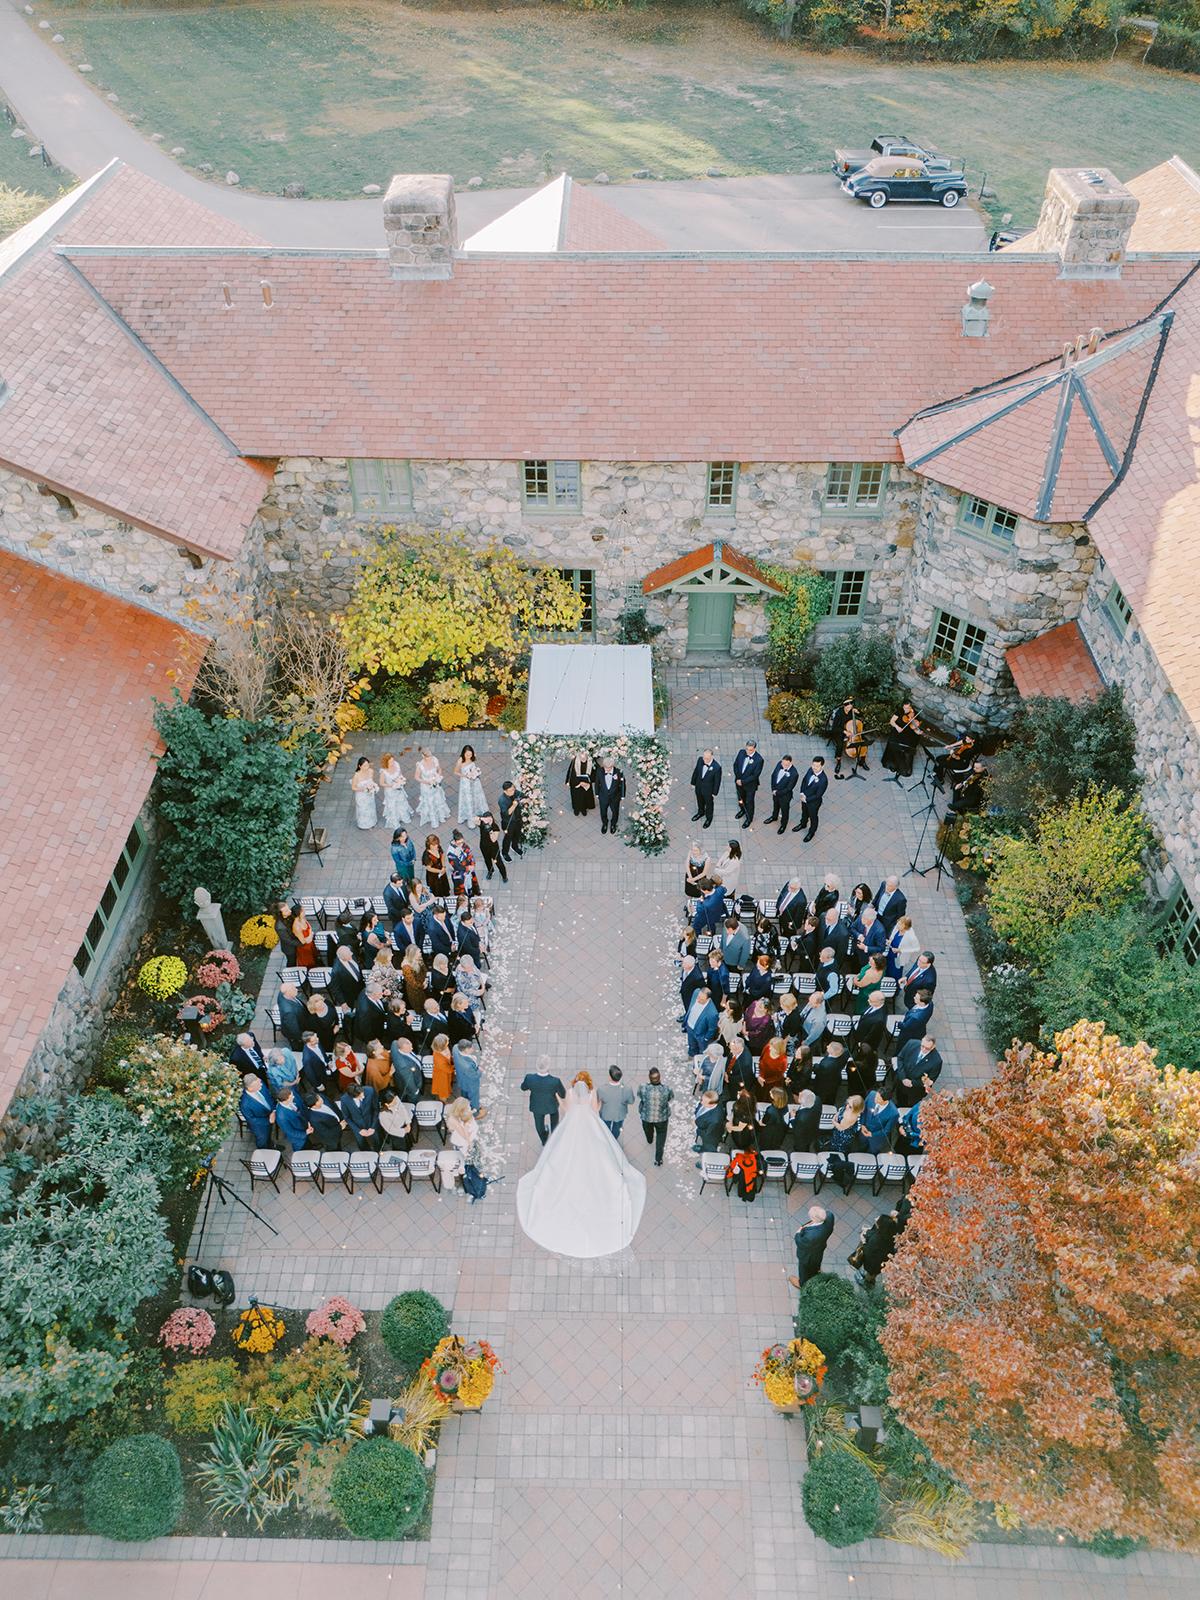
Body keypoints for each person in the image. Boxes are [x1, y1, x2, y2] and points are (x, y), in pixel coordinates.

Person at [517, 1073, 647, 1256]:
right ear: (587, 1085)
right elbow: (595, 1110)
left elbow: (566, 1110)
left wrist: (557, 1098)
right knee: (599, 1149)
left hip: (572, 1126)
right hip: (589, 1125)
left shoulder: (569, 1093)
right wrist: (599, 1105)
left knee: (564, 1152)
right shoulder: (592, 1094)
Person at [520, 1059, 568, 1145]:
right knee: (554, 1122)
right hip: (552, 1106)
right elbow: (563, 1095)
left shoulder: (529, 1078)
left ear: (536, 1066)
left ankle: (544, 1140)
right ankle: (554, 1138)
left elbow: (523, 1088)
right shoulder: (555, 1081)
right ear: (548, 1067)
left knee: (539, 1125)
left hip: (537, 1106)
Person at [790, 1205, 835, 1289]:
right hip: (820, 1249)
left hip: (808, 1256)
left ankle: (802, 1283)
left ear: (814, 1219)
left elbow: (800, 1242)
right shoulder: (830, 1216)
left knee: (804, 1268)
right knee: (817, 1261)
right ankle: (816, 1271)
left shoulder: (810, 1236)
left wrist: (798, 1233)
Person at [855, 1208, 901, 1288]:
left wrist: (864, 1241)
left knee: (870, 1274)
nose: (876, 1219)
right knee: (873, 1273)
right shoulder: (889, 1235)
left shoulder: (876, 1240)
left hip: (873, 1264)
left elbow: (868, 1251)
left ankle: (868, 1282)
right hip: (881, 1262)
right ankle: (870, 1279)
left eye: (878, 1219)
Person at [637, 1067, 674, 1166]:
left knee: (648, 1130)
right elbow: (670, 1098)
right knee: (661, 1138)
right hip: (662, 1118)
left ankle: (649, 1139)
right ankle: (658, 1159)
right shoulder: (666, 1089)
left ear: (649, 1078)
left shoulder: (643, 1087)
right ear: (659, 1077)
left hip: (646, 1116)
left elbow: (640, 1096)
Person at [895, 1035, 943, 1106]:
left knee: (910, 1105)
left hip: (915, 1091)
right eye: (922, 1046)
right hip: (901, 1081)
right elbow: (900, 1058)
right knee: (899, 1097)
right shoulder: (911, 1043)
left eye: (927, 1048)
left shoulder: (937, 1061)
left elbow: (930, 1081)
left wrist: (912, 1083)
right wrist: (903, 1078)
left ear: (933, 1047)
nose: (923, 1049)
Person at [881, 700, 923, 781]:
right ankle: (893, 764)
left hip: (908, 735)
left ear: (911, 707)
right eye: (905, 708)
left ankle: (903, 767)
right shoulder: (899, 711)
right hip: (898, 732)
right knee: (894, 745)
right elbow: (892, 721)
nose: (906, 710)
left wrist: (918, 731)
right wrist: (897, 727)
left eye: (908, 708)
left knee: (907, 748)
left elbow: (914, 728)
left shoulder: (914, 714)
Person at [794, 755, 829, 841]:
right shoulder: (810, 770)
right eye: (813, 765)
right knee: (804, 812)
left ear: (822, 766)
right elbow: (804, 781)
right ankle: (803, 824)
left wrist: (807, 799)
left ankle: (811, 832)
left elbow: (818, 795)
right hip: (804, 798)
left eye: (817, 766)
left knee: (813, 817)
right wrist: (802, 793)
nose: (814, 768)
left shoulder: (823, 780)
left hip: (813, 802)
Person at [415, 748, 451, 828]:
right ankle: (433, 820)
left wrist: (438, 776)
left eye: (431, 756)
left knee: (438, 799)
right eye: (428, 757)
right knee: (430, 802)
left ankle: (441, 816)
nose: (430, 758)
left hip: (435, 783)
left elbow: (439, 769)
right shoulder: (420, 765)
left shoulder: (434, 760)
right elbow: (417, 777)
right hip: (427, 786)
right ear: (423, 756)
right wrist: (427, 782)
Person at [598, 1065, 635, 1140]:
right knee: (617, 1129)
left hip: (606, 1114)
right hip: (620, 1114)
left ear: (610, 1076)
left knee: (605, 1129)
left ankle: (607, 1140)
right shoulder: (627, 1089)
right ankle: (613, 1140)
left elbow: (598, 1101)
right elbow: (631, 1101)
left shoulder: (601, 1089)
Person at [339, 1081, 379, 1151]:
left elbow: (376, 1109)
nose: (363, 1097)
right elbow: (347, 1117)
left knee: (377, 1140)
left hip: (371, 1121)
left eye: (363, 1094)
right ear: (352, 1096)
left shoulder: (370, 1091)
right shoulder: (344, 1099)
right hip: (357, 1125)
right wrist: (358, 1130)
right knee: (361, 1143)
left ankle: (378, 1150)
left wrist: (373, 1127)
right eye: (360, 1096)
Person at [732, 740, 764, 828]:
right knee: (740, 798)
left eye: (750, 750)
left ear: (754, 749)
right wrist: (738, 778)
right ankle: (742, 810)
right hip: (738, 782)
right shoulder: (741, 752)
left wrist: (743, 781)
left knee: (749, 802)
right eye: (747, 749)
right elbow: (736, 765)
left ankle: (749, 818)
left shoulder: (759, 760)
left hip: (750, 786)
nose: (748, 751)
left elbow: (755, 775)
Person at [454, 744, 487, 825]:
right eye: (467, 754)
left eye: (470, 754)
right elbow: (455, 772)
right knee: (468, 798)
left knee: (476, 796)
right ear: (463, 754)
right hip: (466, 782)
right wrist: (465, 775)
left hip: (475, 781)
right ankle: (470, 817)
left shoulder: (472, 758)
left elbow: (473, 767)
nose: (469, 756)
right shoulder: (460, 761)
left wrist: (476, 772)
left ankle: (478, 810)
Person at [239, 1073, 274, 1148]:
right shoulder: (245, 1104)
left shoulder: (260, 1084)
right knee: (262, 1140)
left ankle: (271, 1145)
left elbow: (269, 1096)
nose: (261, 1085)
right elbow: (252, 1120)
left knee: (269, 1135)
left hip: (270, 1116)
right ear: (250, 1088)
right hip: (260, 1127)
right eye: (258, 1084)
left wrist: (273, 1110)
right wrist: (269, 1120)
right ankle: (265, 1152)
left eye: (259, 1082)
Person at [766, 754, 799, 833]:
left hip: (784, 796)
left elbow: (789, 788)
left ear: (790, 763)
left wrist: (777, 793)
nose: (783, 766)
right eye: (783, 764)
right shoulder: (779, 764)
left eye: (786, 765)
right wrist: (773, 789)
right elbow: (773, 776)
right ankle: (774, 817)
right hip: (775, 792)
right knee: (775, 806)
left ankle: (783, 825)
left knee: (784, 811)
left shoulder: (794, 774)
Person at [690, 748, 723, 829]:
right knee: (699, 800)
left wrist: (714, 792)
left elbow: (717, 781)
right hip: (699, 786)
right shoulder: (700, 760)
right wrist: (693, 783)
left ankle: (709, 818)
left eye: (707, 758)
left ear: (711, 757)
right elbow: (696, 771)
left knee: (709, 804)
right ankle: (700, 812)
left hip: (708, 790)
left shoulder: (717, 767)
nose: (705, 760)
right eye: (704, 757)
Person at [379, 753, 412, 830]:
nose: (392, 763)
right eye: (390, 762)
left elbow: (400, 774)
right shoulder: (384, 772)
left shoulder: (397, 765)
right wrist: (392, 785)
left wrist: (401, 780)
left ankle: (404, 817)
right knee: (393, 805)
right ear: (386, 762)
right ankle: (395, 822)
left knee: (402, 802)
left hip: (399, 788)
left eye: (393, 761)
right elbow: (381, 783)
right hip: (390, 791)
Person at [328, 944, 365, 1011]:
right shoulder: (336, 971)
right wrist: (343, 1003)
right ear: (342, 957)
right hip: (349, 993)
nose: (352, 954)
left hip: (360, 986)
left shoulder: (350, 952)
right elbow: (335, 988)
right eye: (349, 954)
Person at [863, 1086, 899, 1153]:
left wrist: (872, 1134)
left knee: (871, 1153)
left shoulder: (894, 1113)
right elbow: (863, 1110)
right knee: (859, 1148)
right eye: (876, 1096)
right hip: (863, 1131)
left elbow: (887, 1130)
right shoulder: (872, 1094)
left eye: (878, 1099)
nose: (875, 1099)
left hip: (877, 1139)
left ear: (886, 1100)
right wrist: (862, 1125)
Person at [684, 986, 719, 1057]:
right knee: (691, 1045)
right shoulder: (696, 992)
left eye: (702, 999)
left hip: (701, 1035)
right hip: (690, 1027)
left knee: (702, 1050)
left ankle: (700, 1060)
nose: (698, 1000)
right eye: (698, 997)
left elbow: (712, 1028)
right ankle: (691, 1055)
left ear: (708, 999)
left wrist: (705, 1038)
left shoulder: (712, 1013)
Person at [593, 759, 625, 836]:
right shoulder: (599, 771)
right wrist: (597, 793)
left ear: (612, 766)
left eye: (609, 768)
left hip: (615, 797)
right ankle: (605, 823)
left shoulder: (619, 772)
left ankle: (613, 824)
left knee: (615, 812)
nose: (607, 769)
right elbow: (597, 782)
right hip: (603, 796)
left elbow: (623, 784)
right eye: (605, 767)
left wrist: (622, 795)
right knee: (603, 811)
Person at [390, 1036, 425, 1104]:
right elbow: (409, 1082)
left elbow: (394, 1042)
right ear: (401, 1049)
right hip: (411, 1082)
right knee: (413, 1098)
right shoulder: (404, 1066)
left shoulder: (395, 1044)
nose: (412, 1048)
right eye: (409, 1048)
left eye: (411, 1046)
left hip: (412, 1071)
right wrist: (415, 1091)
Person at [886, 914, 920, 980]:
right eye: (898, 923)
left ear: (905, 926)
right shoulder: (897, 927)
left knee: (896, 972)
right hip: (891, 952)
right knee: (888, 967)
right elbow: (893, 934)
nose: (897, 925)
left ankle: (896, 986)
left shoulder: (911, 936)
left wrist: (901, 950)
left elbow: (917, 948)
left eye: (900, 924)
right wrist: (890, 940)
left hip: (899, 957)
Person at [446, 830, 480, 898]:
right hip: (460, 873)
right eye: (459, 843)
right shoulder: (451, 852)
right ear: (455, 841)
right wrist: (468, 868)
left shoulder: (462, 844)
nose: (462, 844)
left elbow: (469, 853)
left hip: (469, 869)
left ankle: (471, 893)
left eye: (462, 842)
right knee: (463, 887)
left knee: (470, 883)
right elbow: (456, 866)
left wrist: (472, 864)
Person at [476, 810, 507, 883]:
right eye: (487, 818)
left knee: (498, 862)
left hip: (493, 848)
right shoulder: (482, 823)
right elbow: (474, 819)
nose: (489, 820)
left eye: (490, 818)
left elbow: (493, 840)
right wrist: (482, 819)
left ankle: (504, 875)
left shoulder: (495, 827)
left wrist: (490, 830)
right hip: (483, 846)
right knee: (487, 860)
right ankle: (490, 871)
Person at [452, 1038, 482, 1112]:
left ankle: (465, 1104)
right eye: (471, 1048)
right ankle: (475, 1112)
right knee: (474, 1098)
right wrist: (480, 1071)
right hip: (471, 1084)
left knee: (464, 1093)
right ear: (465, 1050)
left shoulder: (455, 1048)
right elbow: (475, 1076)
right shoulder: (467, 1066)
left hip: (462, 1080)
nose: (473, 1049)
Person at [499, 781, 525, 858]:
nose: (513, 791)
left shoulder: (515, 792)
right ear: (505, 791)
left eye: (513, 789)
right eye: (511, 790)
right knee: (508, 838)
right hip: (508, 823)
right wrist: (513, 806)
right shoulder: (502, 800)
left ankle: (515, 846)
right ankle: (504, 852)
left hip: (518, 819)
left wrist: (524, 800)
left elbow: (523, 796)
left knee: (517, 835)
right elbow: (506, 813)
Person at [790, 1088, 821, 1153]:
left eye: (801, 1096)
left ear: (803, 1102)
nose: (800, 1093)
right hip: (813, 1126)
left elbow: (797, 1131)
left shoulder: (802, 1118)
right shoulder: (817, 1099)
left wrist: (792, 1117)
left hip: (803, 1136)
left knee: (801, 1147)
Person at [351, 756, 378, 829]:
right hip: (361, 795)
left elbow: (371, 780)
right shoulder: (356, 776)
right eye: (365, 766)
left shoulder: (371, 771)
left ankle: (372, 822)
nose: (367, 767)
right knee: (363, 809)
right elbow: (353, 787)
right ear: (360, 766)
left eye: (368, 765)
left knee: (371, 807)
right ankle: (363, 824)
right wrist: (363, 789)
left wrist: (373, 786)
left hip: (369, 793)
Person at [565, 750, 595, 815]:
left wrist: (586, 782)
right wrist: (568, 781)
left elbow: (594, 774)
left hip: (586, 783)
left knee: (585, 797)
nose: (583, 759)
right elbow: (570, 772)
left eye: (584, 758)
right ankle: (576, 809)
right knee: (576, 797)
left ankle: (583, 809)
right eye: (581, 758)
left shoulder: (591, 761)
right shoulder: (574, 761)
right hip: (576, 782)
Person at [694, 1090, 724, 1154]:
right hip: (701, 1126)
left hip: (708, 1136)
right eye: (702, 1100)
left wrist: (697, 1124)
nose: (701, 1103)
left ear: (713, 1104)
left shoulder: (715, 1120)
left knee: (707, 1146)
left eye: (704, 1102)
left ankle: (702, 1150)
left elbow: (709, 1133)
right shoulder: (705, 1103)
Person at [423, 834, 451, 898]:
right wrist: (439, 871)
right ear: (429, 845)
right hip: (433, 875)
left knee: (444, 883)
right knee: (436, 888)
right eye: (434, 845)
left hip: (441, 870)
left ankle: (445, 894)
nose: (436, 846)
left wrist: (443, 866)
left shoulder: (438, 848)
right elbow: (429, 868)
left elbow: (442, 856)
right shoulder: (427, 855)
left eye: (437, 844)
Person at [430, 1033, 454, 1101]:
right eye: (447, 1041)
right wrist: (455, 1066)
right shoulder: (439, 1059)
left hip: (445, 1072)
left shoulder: (444, 1048)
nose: (448, 1042)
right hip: (442, 1076)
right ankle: (443, 1102)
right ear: (442, 1046)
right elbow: (449, 1070)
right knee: (443, 1091)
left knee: (447, 1087)